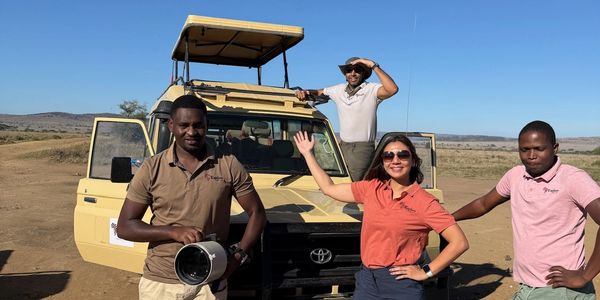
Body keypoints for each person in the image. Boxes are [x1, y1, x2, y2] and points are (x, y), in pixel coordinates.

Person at [116, 95, 267, 300]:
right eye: (184, 125)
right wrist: (172, 232)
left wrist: (239, 255)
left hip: (210, 280)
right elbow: (125, 226)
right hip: (161, 281)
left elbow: (257, 213)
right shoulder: (152, 168)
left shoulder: (228, 165)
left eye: (198, 125)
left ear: (207, 124)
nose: (191, 132)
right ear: (171, 125)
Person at [293, 131, 468, 299]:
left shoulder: (424, 202)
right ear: (383, 162)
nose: (396, 160)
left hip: (401, 283)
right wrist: (308, 154)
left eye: (403, 155)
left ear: (413, 160)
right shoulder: (372, 188)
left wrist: (426, 272)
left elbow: (459, 242)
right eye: (388, 156)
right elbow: (328, 188)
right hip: (367, 279)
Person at [452, 120, 600, 299]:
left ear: (555, 148)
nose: (531, 155)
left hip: (559, 290)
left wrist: (585, 276)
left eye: (539, 149)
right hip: (527, 286)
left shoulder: (573, 179)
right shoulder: (515, 176)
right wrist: (448, 218)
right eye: (524, 149)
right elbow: (483, 204)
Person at [295, 57, 399, 181]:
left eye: (358, 70)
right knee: (339, 181)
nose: (353, 73)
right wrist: (304, 92)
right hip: (342, 146)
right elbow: (318, 92)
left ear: (364, 74)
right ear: (345, 74)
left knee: (355, 184)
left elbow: (392, 89)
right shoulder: (338, 90)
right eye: (349, 70)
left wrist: (373, 65)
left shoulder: (371, 89)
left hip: (362, 149)